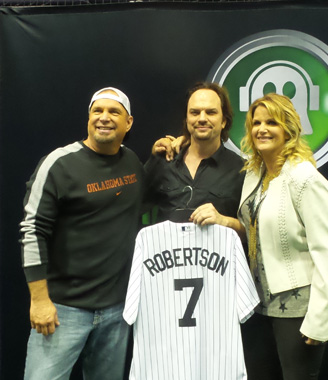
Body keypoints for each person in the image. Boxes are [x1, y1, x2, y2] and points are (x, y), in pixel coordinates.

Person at [19, 87, 144, 380]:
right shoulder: (59, 163)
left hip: (116, 311)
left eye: (114, 112)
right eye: (97, 111)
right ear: (88, 118)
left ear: (128, 123)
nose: (104, 118)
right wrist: (39, 300)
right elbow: (32, 230)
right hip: (63, 311)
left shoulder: (133, 164)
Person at [237, 93, 328, 380]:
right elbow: (258, 229)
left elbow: (326, 253)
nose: (262, 129)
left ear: (289, 129)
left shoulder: (306, 179)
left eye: (271, 122)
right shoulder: (254, 173)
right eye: (256, 122)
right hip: (258, 304)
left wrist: (319, 322)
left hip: (298, 309)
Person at [146, 82, 245, 235]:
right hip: (167, 258)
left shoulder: (241, 170)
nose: (202, 118)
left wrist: (224, 221)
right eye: (195, 112)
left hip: (216, 258)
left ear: (224, 121)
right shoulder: (164, 160)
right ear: (186, 119)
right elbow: (130, 209)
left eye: (211, 112)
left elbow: (254, 234)